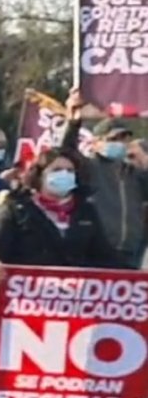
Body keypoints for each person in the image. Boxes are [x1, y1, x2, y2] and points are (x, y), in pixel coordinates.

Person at [0, 147, 123, 286]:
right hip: (27, 298)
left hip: (74, 298)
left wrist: (136, 277)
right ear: (40, 175)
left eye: (70, 170)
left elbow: (105, 256)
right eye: (57, 170)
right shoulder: (15, 209)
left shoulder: (86, 211)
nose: (64, 174)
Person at [61, 89, 148, 269]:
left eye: (125, 139)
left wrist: (144, 160)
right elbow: (66, 151)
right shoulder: (89, 168)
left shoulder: (134, 173)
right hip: (98, 251)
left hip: (131, 251)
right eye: (113, 138)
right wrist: (73, 122)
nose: (120, 143)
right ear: (96, 142)